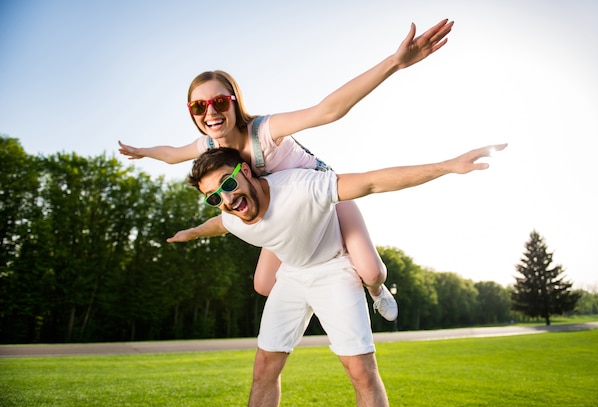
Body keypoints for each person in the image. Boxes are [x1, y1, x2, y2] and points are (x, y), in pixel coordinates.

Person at [119, 19, 455, 320]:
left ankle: (377, 292)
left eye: (219, 102)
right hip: (283, 215)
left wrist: (394, 63)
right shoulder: (210, 147)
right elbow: (172, 154)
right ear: (192, 112)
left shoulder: (265, 131)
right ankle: (314, 295)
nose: (210, 112)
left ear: (234, 100)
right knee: (264, 285)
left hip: (325, 197)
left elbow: (328, 110)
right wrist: (142, 152)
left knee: (371, 272)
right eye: (198, 106)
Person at [186, 143, 506, 407]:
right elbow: (218, 225)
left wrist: (446, 166)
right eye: (214, 197)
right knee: (264, 366)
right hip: (293, 274)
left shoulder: (300, 185)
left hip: (333, 266)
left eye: (227, 185)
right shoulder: (232, 215)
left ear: (244, 170)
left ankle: (378, 291)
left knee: (362, 367)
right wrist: (191, 233)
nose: (226, 200)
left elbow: (371, 182)